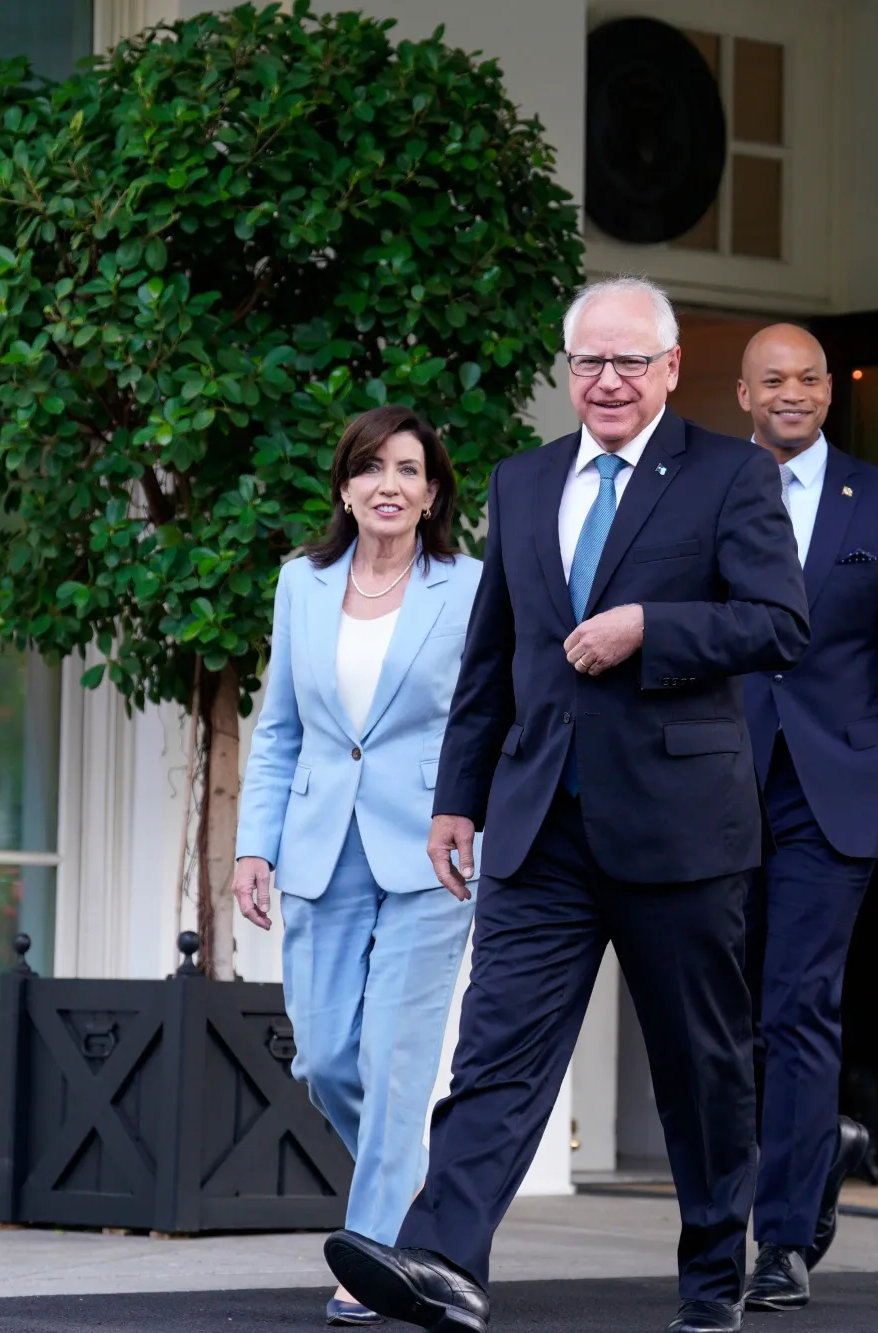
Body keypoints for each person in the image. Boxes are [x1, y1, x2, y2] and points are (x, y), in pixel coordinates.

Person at [323, 277, 809, 1333]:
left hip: (682, 828)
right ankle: (443, 1262)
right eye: (589, 361)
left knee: (700, 1067)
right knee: (494, 1057)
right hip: (539, 822)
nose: (607, 380)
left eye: (630, 361)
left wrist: (650, 626)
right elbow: (491, 655)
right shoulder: (526, 479)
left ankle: (711, 1273)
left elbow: (778, 622)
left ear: (670, 369)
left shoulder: (728, 475)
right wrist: (457, 798)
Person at [231, 405, 482, 1327]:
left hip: (431, 853)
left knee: (397, 1059)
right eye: (372, 467)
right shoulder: (302, 583)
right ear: (345, 486)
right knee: (328, 1056)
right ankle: (408, 1194)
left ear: (431, 493)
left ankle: (370, 1257)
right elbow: (281, 729)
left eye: (409, 469)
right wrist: (254, 845)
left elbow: (487, 718)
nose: (389, 483)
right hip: (318, 846)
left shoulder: (468, 586)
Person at [732, 325, 878, 1312]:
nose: (793, 392)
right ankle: (817, 1143)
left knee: (796, 1002)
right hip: (710, 785)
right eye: (772, 379)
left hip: (834, 793)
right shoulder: (694, 491)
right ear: (742, 394)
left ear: (831, 389)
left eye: (809, 377)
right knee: (714, 1013)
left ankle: (777, 1238)